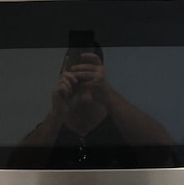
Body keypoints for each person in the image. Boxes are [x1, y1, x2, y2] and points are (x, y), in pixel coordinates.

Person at [15, 30, 174, 162]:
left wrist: (108, 94)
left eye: (89, 68)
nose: (81, 74)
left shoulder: (125, 129)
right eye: (73, 68)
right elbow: (16, 168)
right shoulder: (50, 130)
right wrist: (57, 114)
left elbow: (164, 154)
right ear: (62, 75)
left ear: (102, 76)